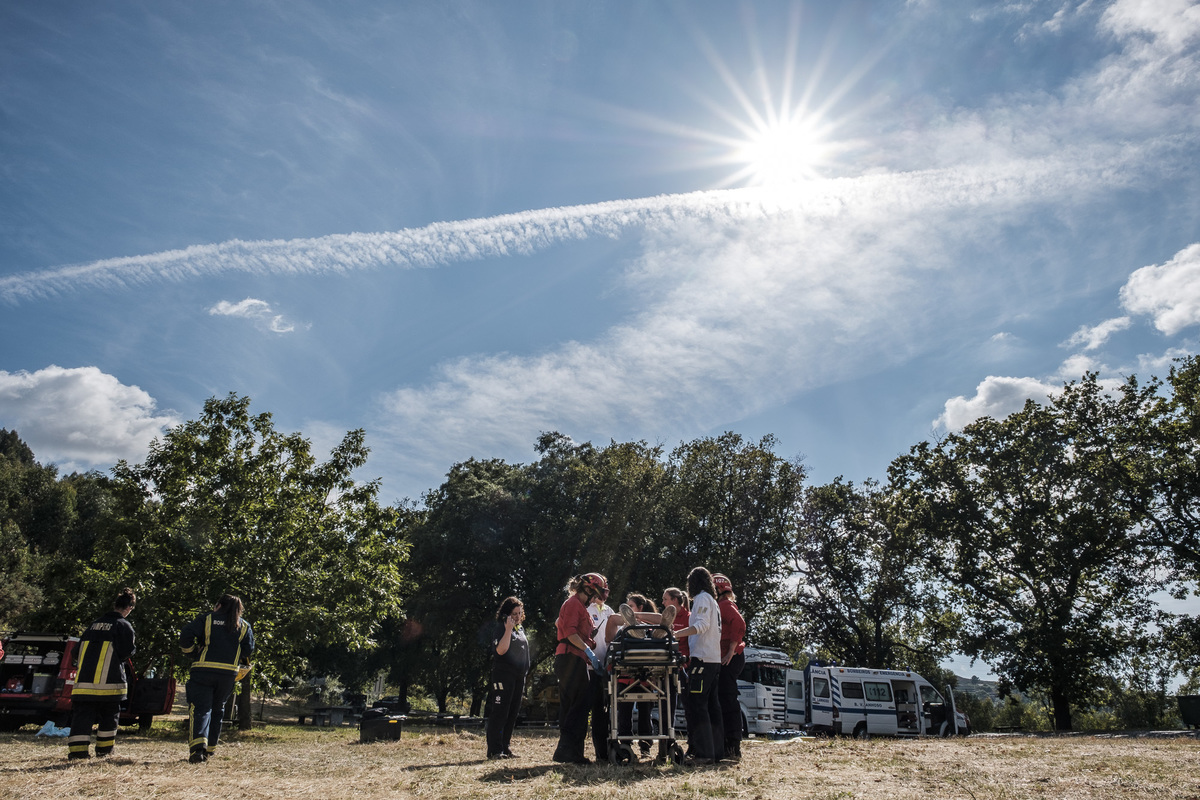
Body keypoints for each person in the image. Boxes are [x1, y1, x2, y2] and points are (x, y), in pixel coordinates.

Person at [179, 593, 254, 764]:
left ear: (219, 605)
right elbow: (248, 650)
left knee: (201, 709)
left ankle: (198, 749)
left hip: (203, 670)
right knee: (217, 710)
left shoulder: (207, 619)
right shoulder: (243, 625)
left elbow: (185, 635)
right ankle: (210, 750)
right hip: (228, 674)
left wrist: (191, 652)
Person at [67, 588, 137, 760]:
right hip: (110, 684)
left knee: (82, 719)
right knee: (109, 718)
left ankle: (77, 752)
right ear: (129, 607)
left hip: (84, 684)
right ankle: (104, 751)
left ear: (115, 605)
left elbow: (75, 652)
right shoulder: (123, 626)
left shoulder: (93, 625)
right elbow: (128, 651)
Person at [552, 572, 607, 765]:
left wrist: (588, 650)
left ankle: (569, 752)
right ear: (589, 589)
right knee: (580, 706)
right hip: (570, 658)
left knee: (573, 707)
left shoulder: (577, 605)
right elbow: (571, 633)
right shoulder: (574, 604)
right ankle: (567, 751)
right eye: (595, 593)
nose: (595, 598)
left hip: (573, 659)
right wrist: (589, 652)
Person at [672, 567, 723, 765]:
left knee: (697, 705)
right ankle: (716, 752)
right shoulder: (713, 601)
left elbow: (701, 625)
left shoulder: (702, 599)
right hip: (713, 660)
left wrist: (675, 634)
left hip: (702, 659)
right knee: (712, 706)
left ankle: (703, 754)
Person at [486, 596, 529, 759]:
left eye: (520, 613)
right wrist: (508, 629)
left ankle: (505, 747)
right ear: (506, 614)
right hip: (504, 676)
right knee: (500, 712)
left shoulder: (521, 629)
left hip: (519, 676)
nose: (517, 617)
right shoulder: (501, 628)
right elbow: (501, 650)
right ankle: (495, 750)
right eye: (514, 613)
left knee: (512, 713)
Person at [713, 573, 747, 760]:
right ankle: (727, 743)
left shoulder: (725, 606)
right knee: (723, 699)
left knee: (727, 699)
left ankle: (733, 746)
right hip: (725, 657)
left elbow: (739, 623)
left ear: (717, 590)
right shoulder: (721, 605)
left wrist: (731, 650)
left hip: (729, 658)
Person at [588, 586, 616, 762]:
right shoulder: (585, 609)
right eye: (601, 591)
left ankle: (607, 751)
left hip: (607, 667)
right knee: (596, 709)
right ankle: (599, 753)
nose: (604, 595)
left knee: (606, 712)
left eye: (607, 591)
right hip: (590, 667)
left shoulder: (609, 611)